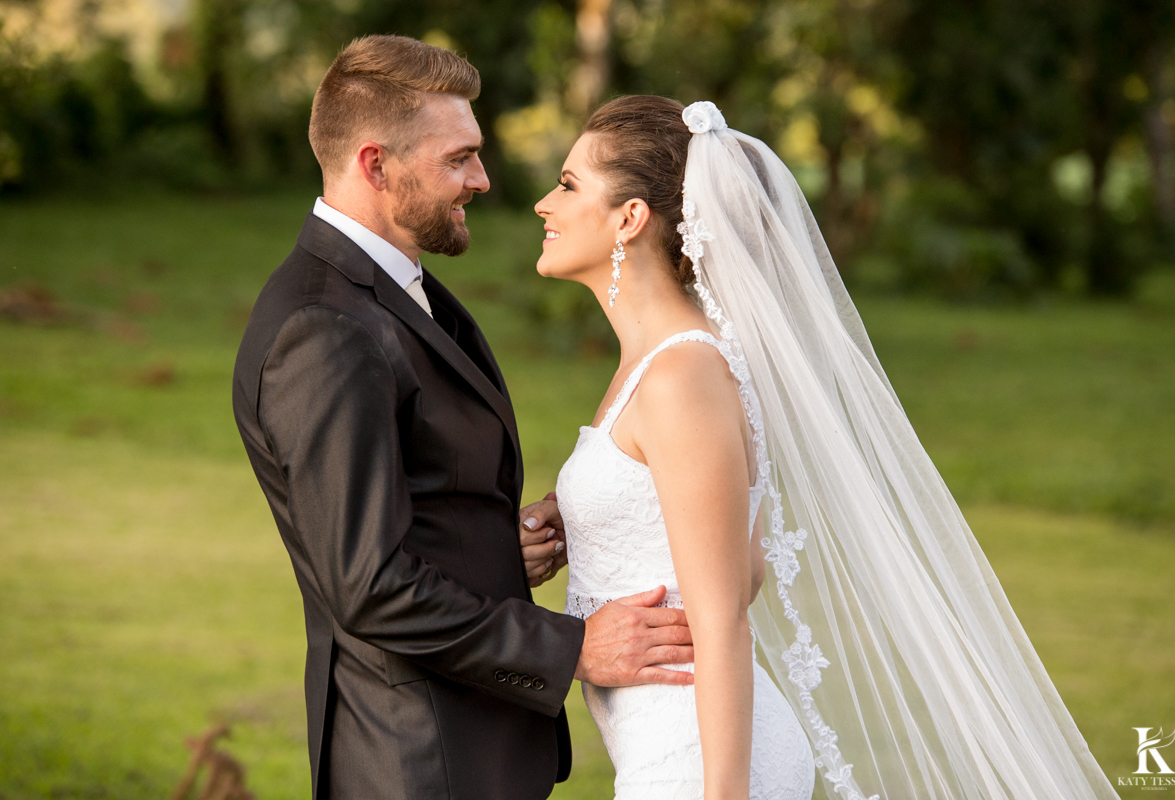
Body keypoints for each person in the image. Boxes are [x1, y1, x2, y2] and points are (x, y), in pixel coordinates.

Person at [533, 95, 1120, 800]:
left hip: (696, 762)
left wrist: (723, 795)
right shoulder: (657, 364)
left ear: (630, 218)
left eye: (568, 185)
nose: (544, 203)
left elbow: (722, 617)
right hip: (670, 744)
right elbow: (740, 566)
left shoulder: (682, 376)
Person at [232, 37, 695, 800]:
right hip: (416, 761)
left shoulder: (404, 292)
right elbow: (368, 583)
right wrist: (573, 647)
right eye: (460, 158)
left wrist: (494, 544)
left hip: (469, 748)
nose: (481, 179)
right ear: (376, 165)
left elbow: (401, 510)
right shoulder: (324, 328)